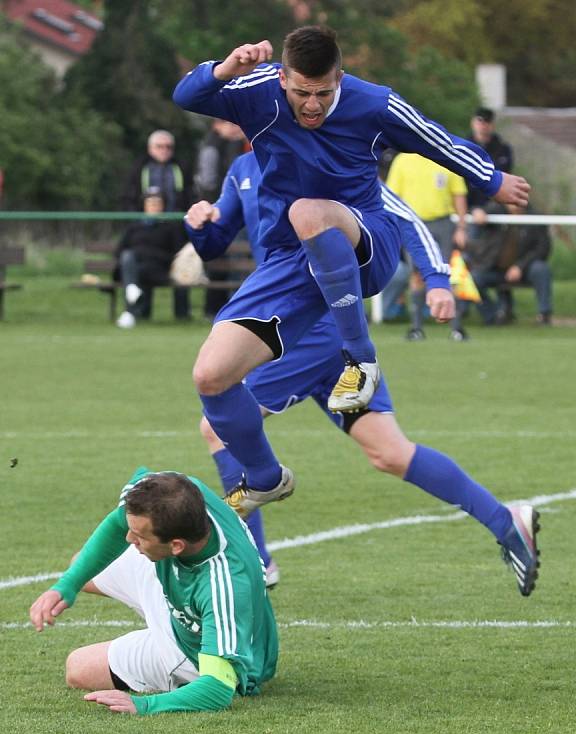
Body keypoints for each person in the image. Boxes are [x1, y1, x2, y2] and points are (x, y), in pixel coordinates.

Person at [173, 25, 530, 519]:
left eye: (324, 92)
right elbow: (187, 93)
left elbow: (435, 140)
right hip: (290, 273)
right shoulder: (257, 94)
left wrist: (490, 179)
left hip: (366, 244)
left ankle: (361, 361)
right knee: (210, 377)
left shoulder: (374, 104)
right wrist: (228, 67)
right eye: (302, 93)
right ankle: (264, 478)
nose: (313, 105)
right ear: (282, 80)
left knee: (308, 212)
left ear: (340, 76)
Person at [185, 151, 542, 598]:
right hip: (304, 331)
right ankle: (504, 520)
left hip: (311, 329)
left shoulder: (321, 156)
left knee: (216, 427)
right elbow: (214, 242)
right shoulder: (243, 168)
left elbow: (404, 216)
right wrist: (200, 223)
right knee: (389, 452)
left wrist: (435, 278)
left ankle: (257, 561)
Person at [29, 467, 278, 715]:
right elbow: (119, 524)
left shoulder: (225, 587)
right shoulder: (173, 491)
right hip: (175, 582)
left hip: (191, 651)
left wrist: (145, 705)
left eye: (138, 536)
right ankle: (151, 611)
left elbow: (217, 688)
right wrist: (67, 585)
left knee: (78, 668)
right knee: (80, 565)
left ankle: (160, 648)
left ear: (176, 545)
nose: (128, 538)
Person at [385, 153, 469, 341]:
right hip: (413, 225)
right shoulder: (402, 160)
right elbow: (392, 197)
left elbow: (459, 195)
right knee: (417, 276)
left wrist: (462, 227)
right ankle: (417, 328)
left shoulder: (444, 157)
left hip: (443, 224)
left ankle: (456, 328)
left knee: (449, 274)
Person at [120, 129, 193, 320]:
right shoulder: (140, 168)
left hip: (174, 229)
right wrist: (137, 221)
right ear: (150, 148)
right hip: (144, 228)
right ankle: (139, 313)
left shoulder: (180, 167)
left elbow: (189, 196)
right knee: (134, 259)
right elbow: (129, 196)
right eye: (159, 146)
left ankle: (182, 315)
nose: (164, 150)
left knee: (179, 261)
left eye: (169, 147)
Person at [194, 119, 249, 319]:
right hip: (223, 211)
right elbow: (210, 182)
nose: (235, 127)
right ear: (217, 126)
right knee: (233, 264)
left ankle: (224, 310)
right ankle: (234, 311)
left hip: (224, 211)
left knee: (229, 264)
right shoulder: (214, 147)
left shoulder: (226, 145)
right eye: (228, 123)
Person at [467, 203, 553, 325]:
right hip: (495, 269)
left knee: (541, 269)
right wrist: (476, 209)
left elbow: (543, 247)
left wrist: (520, 266)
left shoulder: (535, 218)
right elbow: (473, 209)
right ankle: (493, 317)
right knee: (472, 279)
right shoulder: (494, 212)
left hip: (526, 269)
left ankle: (544, 314)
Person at [114, 188, 188, 329]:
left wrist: (146, 253)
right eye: (150, 203)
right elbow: (119, 252)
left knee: (133, 268)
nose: (154, 206)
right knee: (129, 258)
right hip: (134, 267)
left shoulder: (170, 227)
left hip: (158, 269)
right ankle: (131, 298)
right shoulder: (134, 227)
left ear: (163, 206)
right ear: (144, 205)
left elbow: (176, 254)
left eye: (157, 203)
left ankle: (130, 311)